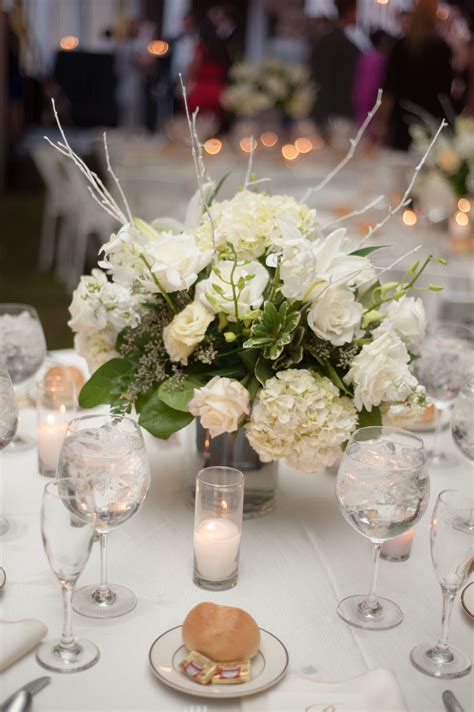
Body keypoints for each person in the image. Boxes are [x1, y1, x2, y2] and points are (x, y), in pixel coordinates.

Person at [377, 0, 453, 150]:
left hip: (403, 120)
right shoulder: (442, 49)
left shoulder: (402, 46)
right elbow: (445, 92)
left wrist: (381, 123)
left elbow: (389, 89)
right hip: (432, 119)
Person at [310, 0, 361, 130]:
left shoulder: (324, 40)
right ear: (350, 12)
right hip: (337, 110)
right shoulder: (345, 44)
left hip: (320, 106)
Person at [353, 30, 394, 128]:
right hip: (372, 105)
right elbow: (372, 86)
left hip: (359, 102)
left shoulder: (364, 57)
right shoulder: (380, 60)